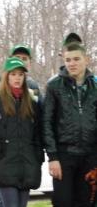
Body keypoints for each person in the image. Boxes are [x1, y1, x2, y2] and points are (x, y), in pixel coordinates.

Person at [0, 57, 43, 207]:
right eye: (13, 74)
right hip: (5, 166)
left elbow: (38, 132)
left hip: (27, 166)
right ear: (6, 76)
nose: (17, 78)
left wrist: (38, 156)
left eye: (20, 74)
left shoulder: (32, 102)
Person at [42, 41, 97, 207]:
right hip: (64, 156)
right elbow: (46, 122)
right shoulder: (54, 86)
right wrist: (53, 157)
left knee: (86, 202)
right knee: (63, 202)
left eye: (76, 59)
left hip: (90, 156)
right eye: (68, 60)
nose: (72, 64)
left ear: (85, 59)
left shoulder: (95, 85)